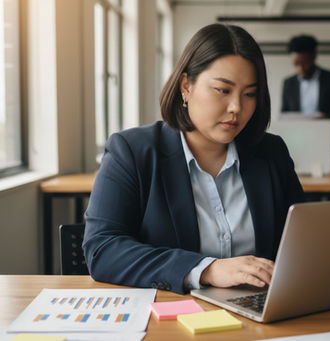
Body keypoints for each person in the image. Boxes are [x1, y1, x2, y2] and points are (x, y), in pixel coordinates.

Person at [83, 23, 305, 295]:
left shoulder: (271, 153)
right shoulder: (132, 151)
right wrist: (207, 269)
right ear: (186, 86)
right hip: (174, 319)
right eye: (223, 90)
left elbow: (305, 242)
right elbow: (102, 250)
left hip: (260, 315)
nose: (237, 107)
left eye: (249, 94)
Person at [281, 34, 330, 146]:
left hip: (327, 139)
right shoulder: (288, 83)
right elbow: (284, 114)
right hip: (298, 141)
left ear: (314, 56)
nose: (300, 68)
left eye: (304, 63)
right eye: (296, 64)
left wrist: (326, 117)